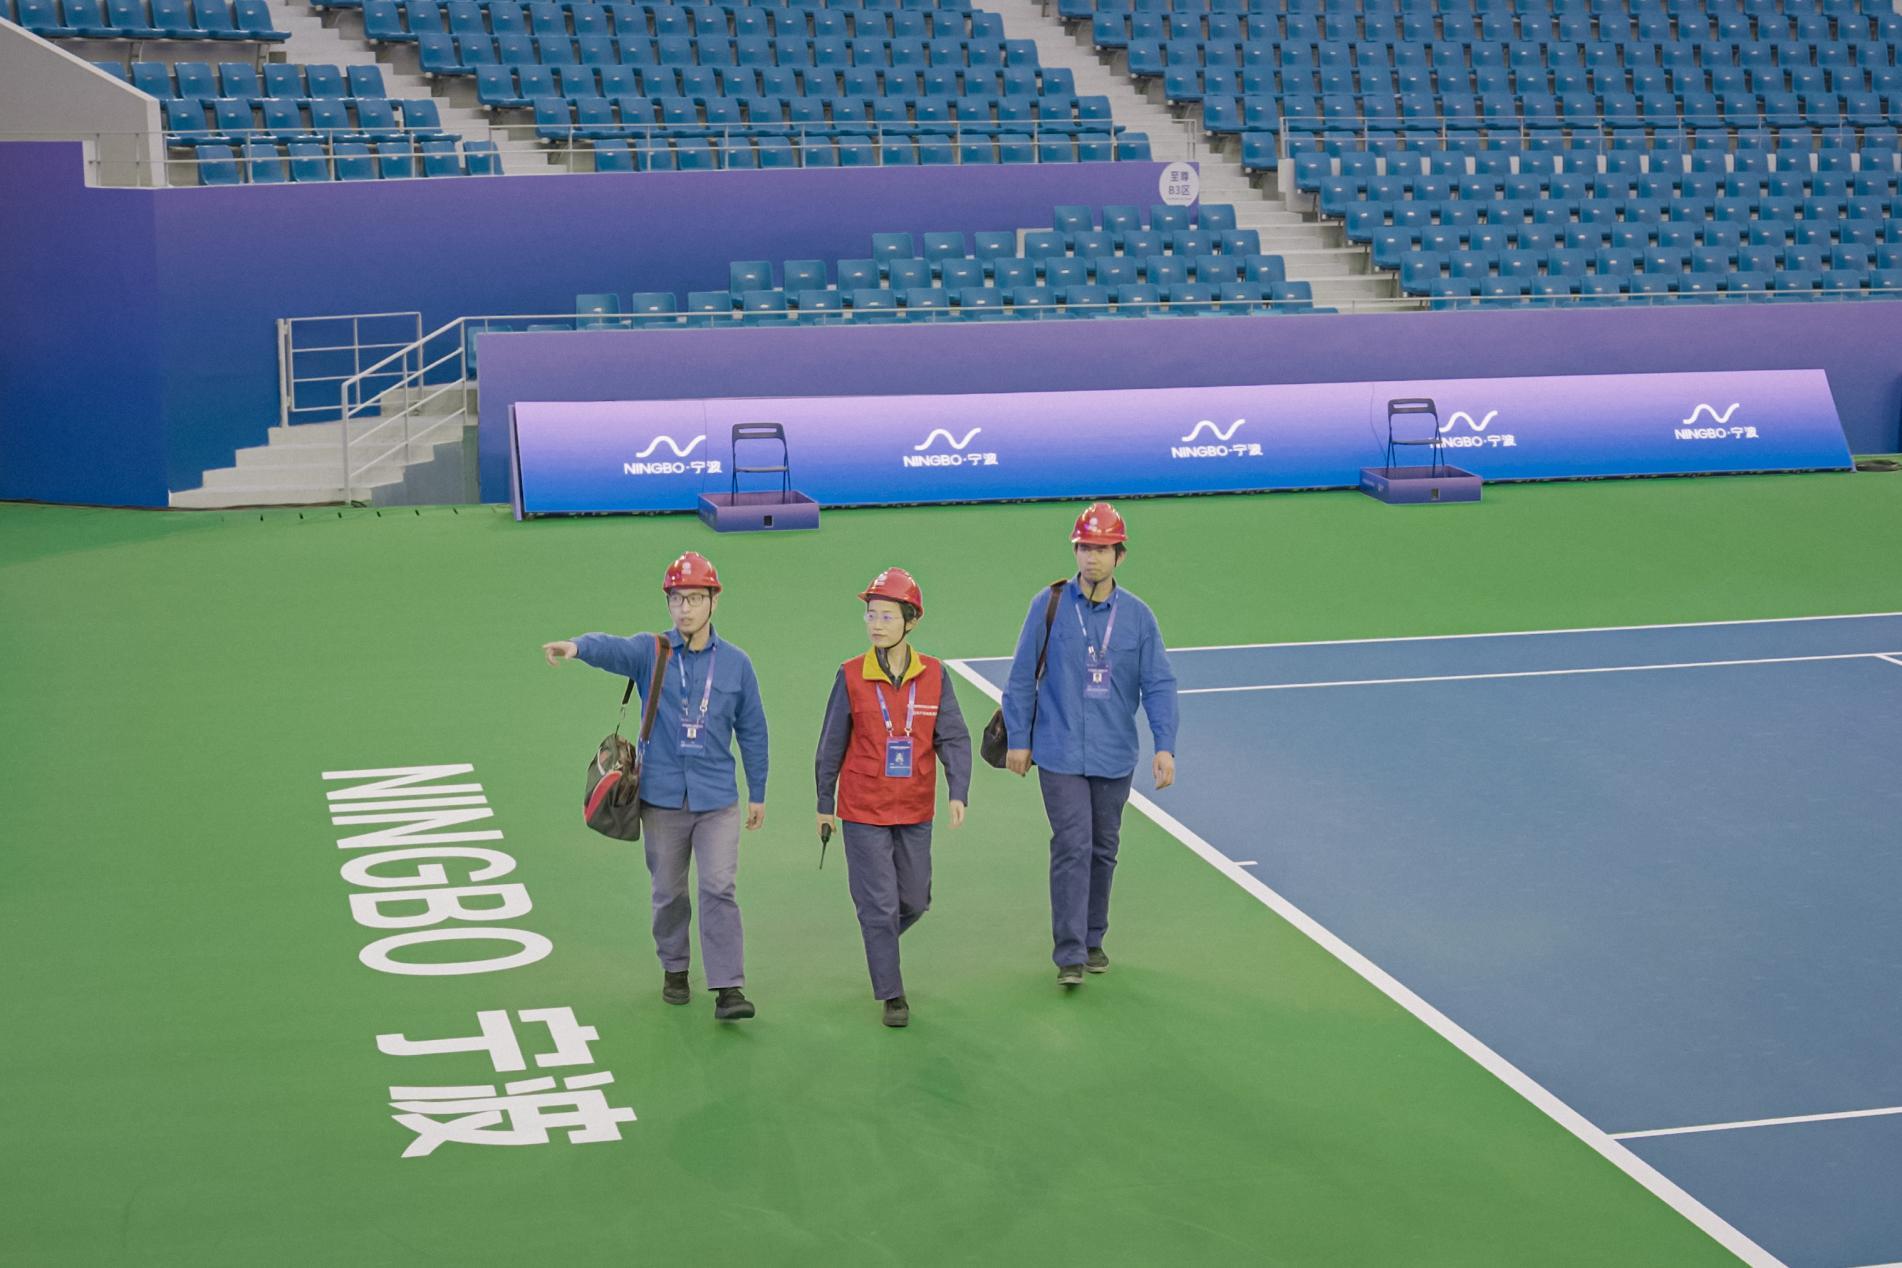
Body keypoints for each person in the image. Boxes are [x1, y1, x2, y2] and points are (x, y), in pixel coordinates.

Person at [541, 550, 769, 1022]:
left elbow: (753, 731)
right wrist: (577, 648)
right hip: (662, 799)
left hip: (717, 800)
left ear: (714, 601)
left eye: (695, 598)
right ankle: (675, 968)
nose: (685, 608)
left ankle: (728, 986)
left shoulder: (737, 664)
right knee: (668, 891)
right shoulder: (652, 652)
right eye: (677, 599)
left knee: (719, 886)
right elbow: (612, 648)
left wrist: (759, 792)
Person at [1001, 503, 1179, 988]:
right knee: (1072, 844)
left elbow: (1158, 684)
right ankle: (1070, 953)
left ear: (1120, 555)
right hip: (1058, 752)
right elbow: (1021, 676)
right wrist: (1019, 739)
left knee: (1103, 849)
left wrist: (1165, 745)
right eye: (1084, 547)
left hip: (1114, 755)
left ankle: (1093, 937)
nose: (1091, 557)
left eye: (1101, 549)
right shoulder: (1049, 604)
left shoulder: (1138, 618)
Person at [814, 568, 972, 1028]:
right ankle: (892, 994)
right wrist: (825, 804)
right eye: (871, 615)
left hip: (915, 806)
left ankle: (878, 937)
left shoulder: (935, 675)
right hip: (863, 808)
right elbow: (830, 745)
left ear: (911, 621)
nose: (876, 624)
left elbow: (953, 737)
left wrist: (958, 790)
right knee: (879, 905)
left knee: (915, 900)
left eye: (886, 616)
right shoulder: (850, 676)